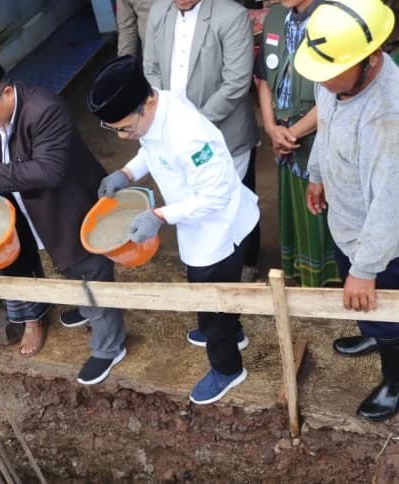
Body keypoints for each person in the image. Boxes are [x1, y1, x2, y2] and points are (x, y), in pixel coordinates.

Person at [89, 55, 259, 404]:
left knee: (210, 300)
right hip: (195, 222)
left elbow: (215, 195)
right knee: (211, 292)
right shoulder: (154, 114)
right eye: (116, 130)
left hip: (216, 229)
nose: (124, 136)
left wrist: (160, 216)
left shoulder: (189, 134)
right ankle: (233, 329)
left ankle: (227, 367)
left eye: (126, 128)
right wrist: (127, 173)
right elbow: (150, 150)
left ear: (147, 101)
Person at [0, 50, 127, 385]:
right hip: (35, 211)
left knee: (90, 270)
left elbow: (49, 170)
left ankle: (109, 346)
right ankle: (87, 308)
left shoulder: (44, 109)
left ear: (6, 92)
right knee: (69, 267)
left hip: (71, 206)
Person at [295, 0, 399, 421]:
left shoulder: (388, 118)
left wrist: (367, 267)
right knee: (365, 303)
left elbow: (391, 205)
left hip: (383, 244)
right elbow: (328, 124)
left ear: (371, 59)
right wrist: (317, 174)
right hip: (348, 220)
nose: (321, 80)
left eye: (329, 73)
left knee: (387, 309)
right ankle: (373, 334)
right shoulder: (337, 76)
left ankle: (394, 379)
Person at [143, 0, 261, 283]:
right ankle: (207, 262)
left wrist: (190, 124)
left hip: (225, 132)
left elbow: (235, 82)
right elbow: (151, 68)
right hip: (175, 131)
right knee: (195, 198)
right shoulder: (160, 11)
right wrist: (169, 116)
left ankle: (246, 261)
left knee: (233, 200)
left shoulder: (230, 15)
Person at [254, 0, 341, 290]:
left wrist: (290, 133)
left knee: (324, 206)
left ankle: (334, 279)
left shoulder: (334, 17)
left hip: (321, 138)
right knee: (296, 207)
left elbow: (336, 93)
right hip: (284, 136)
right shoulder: (277, 17)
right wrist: (271, 128)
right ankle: (303, 275)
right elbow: (264, 79)